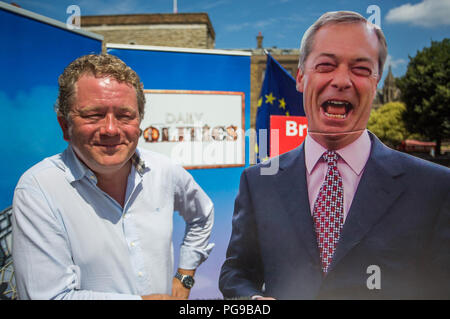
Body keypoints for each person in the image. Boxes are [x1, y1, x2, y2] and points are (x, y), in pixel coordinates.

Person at [219, 11, 450, 299]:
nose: (341, 80)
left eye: (361, 69)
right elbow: (236, 273)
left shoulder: (435, 187)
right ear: (301, 78)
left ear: (377, 83)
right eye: (326, 65)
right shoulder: (258, 181)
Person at [12, 53, 214, 300]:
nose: (110, 129)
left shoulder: (164, 170)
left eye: (124, 115)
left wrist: (184, 276)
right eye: (93, 114)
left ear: (139, 122)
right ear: (65, 126)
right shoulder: (39, 189)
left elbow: (203, 215)